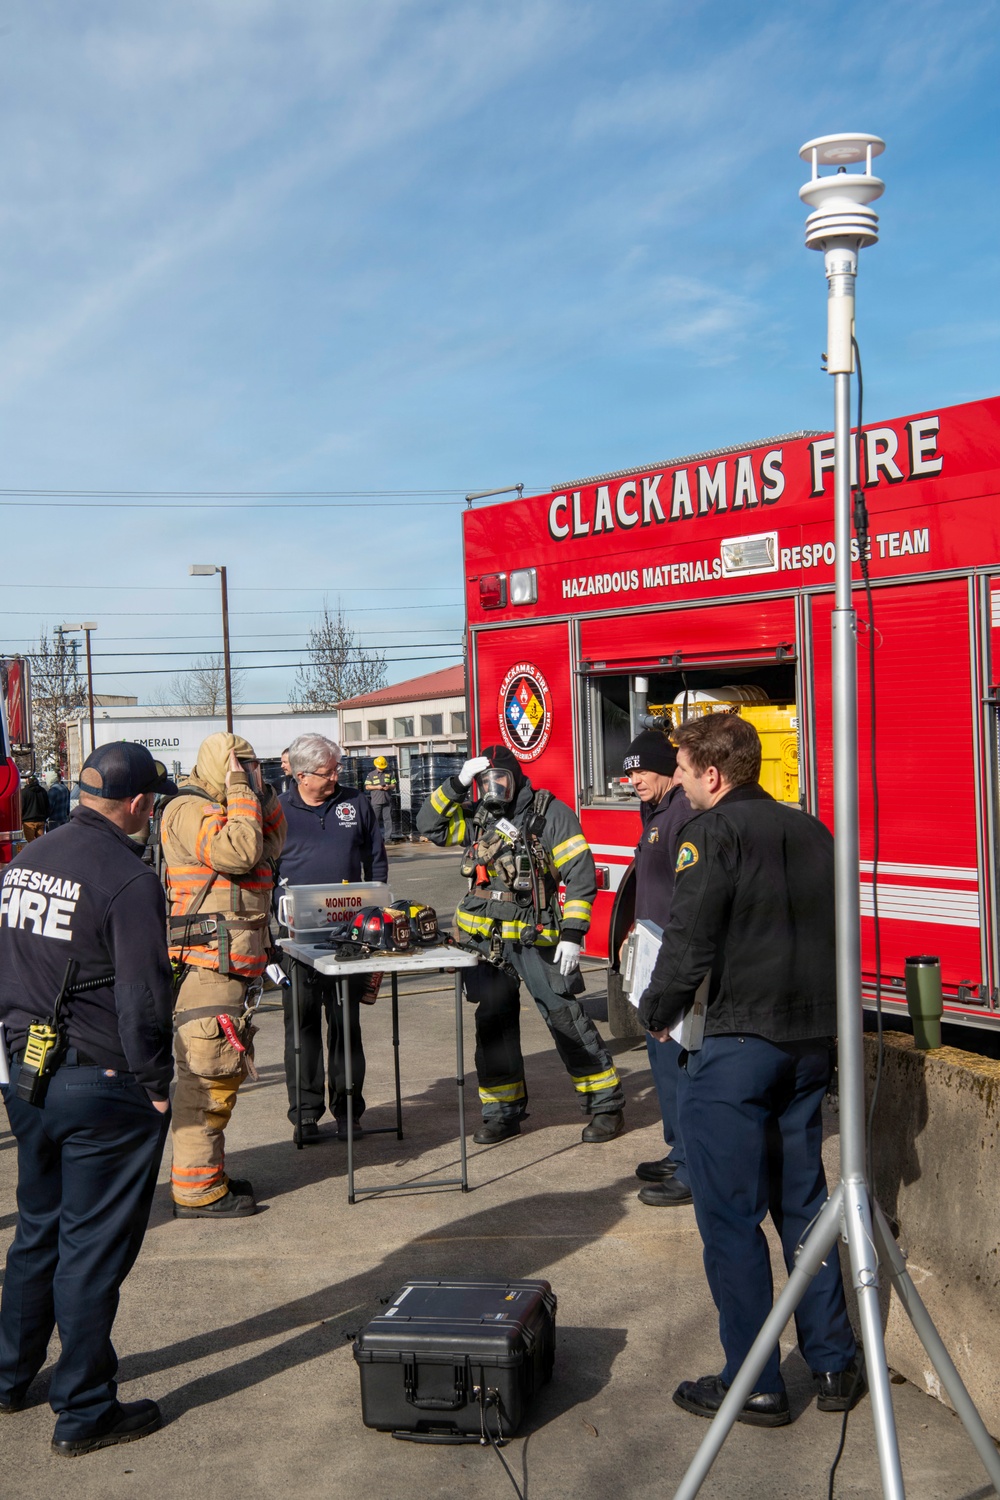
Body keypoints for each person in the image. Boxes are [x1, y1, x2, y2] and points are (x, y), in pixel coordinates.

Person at [637, 713, 863, 1427]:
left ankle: (754, 1381)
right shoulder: (812, 830)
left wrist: (655, 1008)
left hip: (737, 1048)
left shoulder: (711, 833)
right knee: (803, 1206)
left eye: (682, 770)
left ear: (712, 773)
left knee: (730, 1218)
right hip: (811, 1043)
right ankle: (834, 1362)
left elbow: (690, 936)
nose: (679, 782)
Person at [0, 742, 173, 1456]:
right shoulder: (128, 879)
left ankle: (10, 1377)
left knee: (38, 1228)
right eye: (152, 800)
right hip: (101, 1085)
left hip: (27, 1074)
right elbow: (143, 997)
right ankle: (84, 1410)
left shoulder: (25, 861)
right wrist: (156, 1084)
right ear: (137, 803)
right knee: (91, 1251)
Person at [418, 745, 625, 1144]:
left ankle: (605, 1106)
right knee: (492, 1024)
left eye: (499, 779)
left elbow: (580, 874)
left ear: (516, 779)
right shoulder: (479, 818)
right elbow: (430, 825)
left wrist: (573, 934)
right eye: (483, 782)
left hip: (536, 936)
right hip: (487, 941)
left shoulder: (550, 814)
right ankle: (502, 1114)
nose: (492, 788)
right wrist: (456, 784)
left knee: (564, 1017)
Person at [161, 732, 286, 1218]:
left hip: (232, 966)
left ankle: (208, 1175)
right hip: (206, 967)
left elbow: (272, 843)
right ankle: (197, 1191)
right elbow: (237, 853)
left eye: (255, 768)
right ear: (220, 767)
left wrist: (261, 792)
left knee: (221, 1076)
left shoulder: (236, 809)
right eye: (243, 766)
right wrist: (239, 789)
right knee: (206, 1080)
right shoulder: (188, 809)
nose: (250, 776)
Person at [277, 733, 387, 1143]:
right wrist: (276, 913)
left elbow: (376, 858)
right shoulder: (277, 811)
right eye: (328, 772)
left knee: (345, 1024)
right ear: (302, 776)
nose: (336, 776)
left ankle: (348, 1111)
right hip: (296, 938)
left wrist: (376, 910)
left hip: (349, 937)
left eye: (336, 769)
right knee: (301, 1027)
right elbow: (265, 868)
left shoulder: (355, 803)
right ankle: (305, 1114)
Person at [621, 728, 697, 1208]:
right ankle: (678, 1150)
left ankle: (691, 1164)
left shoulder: (681, 814)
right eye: (629, 773)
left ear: (668, 769)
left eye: (642, 771)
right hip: (652, 954)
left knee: (679, 1063)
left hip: (673, 960)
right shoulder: (656, 811)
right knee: (662, 1061)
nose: (634, 780)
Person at [364, 755, 398, 843]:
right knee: (375, 820)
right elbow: (367, 787)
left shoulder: (389, 774)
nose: (382, 768)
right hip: (376, 801)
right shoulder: (371, 775)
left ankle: (388, 839)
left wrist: (389, 787)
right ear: (376, 765)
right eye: (380, 767)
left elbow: (394, 785)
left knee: (388, 820)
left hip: (387, 800)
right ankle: (374, 839)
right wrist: (377, 787)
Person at [20, 773, 49, 842]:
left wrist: (21, 818)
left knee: (30, 842)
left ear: (28, 781)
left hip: (28, 821)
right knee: (40, 842)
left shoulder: (23, 792)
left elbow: (21, 807)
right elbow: (47, 806)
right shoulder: (43, 791)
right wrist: (45, 817)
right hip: (41, 820)